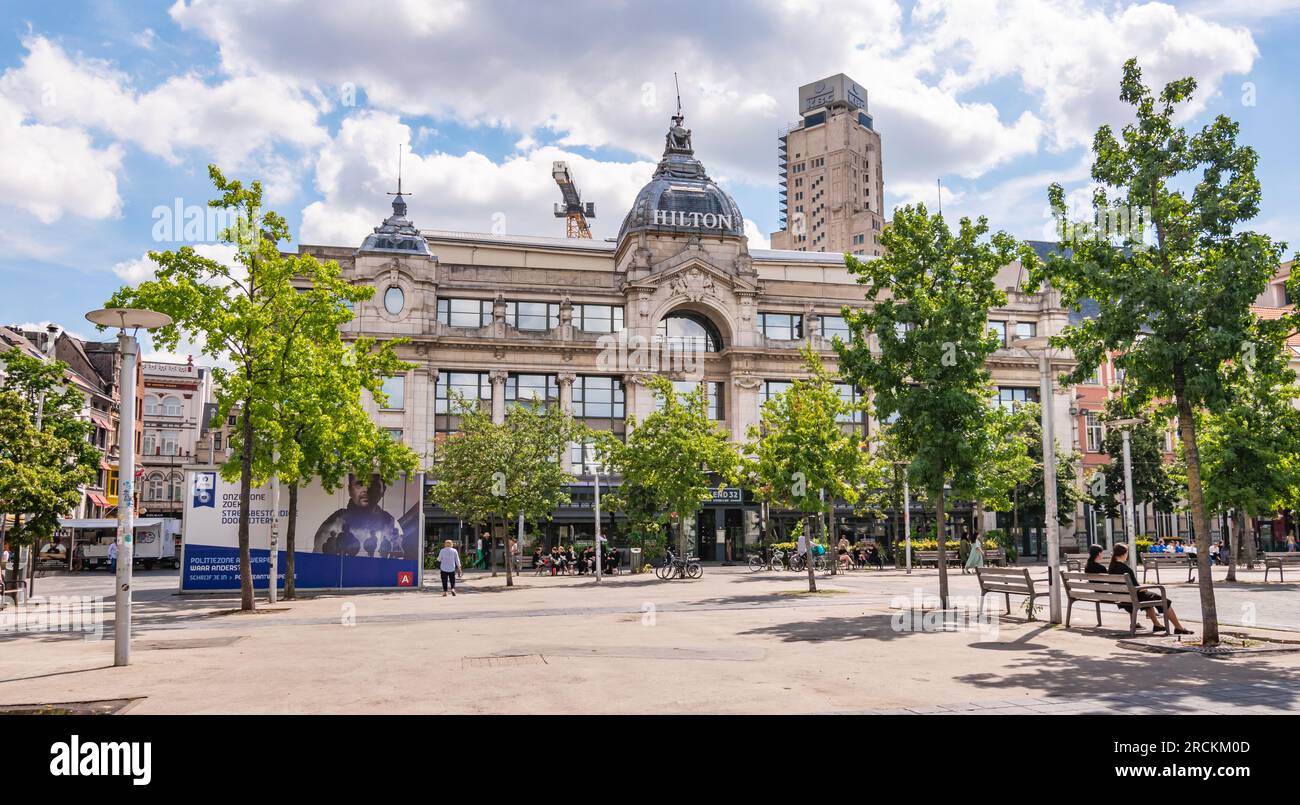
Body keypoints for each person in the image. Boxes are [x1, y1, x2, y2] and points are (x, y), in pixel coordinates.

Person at [312, 473, 406, 559]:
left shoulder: (390, 523)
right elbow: (319, 560)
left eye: (372, 484)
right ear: (350, 490)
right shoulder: (335, 522)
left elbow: (398, 559)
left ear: (383, 489)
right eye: (359, 484)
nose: (366, 490)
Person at [1108, 543, 1193, 635]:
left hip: (1122, 598)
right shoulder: (1126, 569)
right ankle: (1178, 627)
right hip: (1134, 598)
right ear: (1124, 554)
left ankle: (1157, 625)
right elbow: (1137, 587)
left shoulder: (1111, 568)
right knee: (1165, 601)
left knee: (1149, 597)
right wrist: (1144, 589)